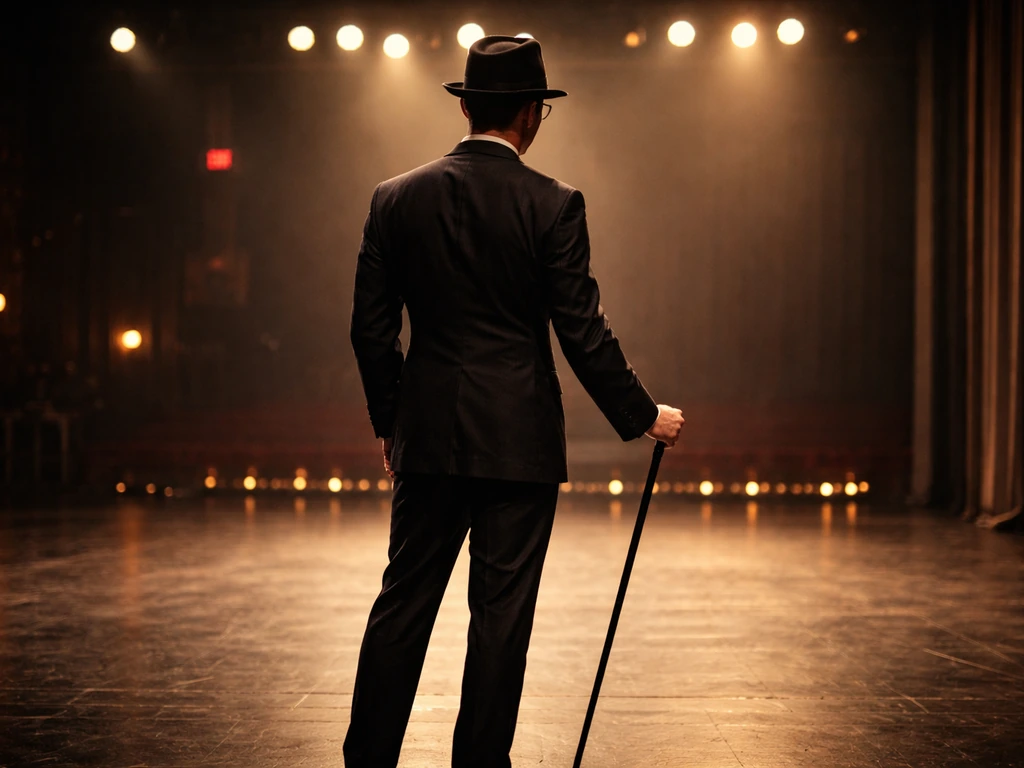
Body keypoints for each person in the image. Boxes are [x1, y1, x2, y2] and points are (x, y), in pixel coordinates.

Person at [346, 35, 685, 768]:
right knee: (500, 619)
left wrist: (390, 420)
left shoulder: (394, 198)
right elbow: (580, 328)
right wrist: (641, 414)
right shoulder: (553, 204)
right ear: (532, 114)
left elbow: (371, 332)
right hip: (517, 443)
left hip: (429, 437)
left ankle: (367, 760)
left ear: (465, 105)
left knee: (402, 605)